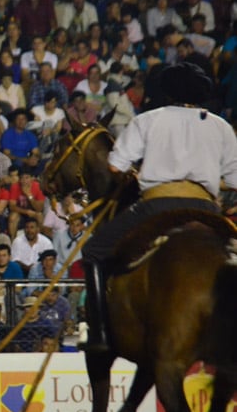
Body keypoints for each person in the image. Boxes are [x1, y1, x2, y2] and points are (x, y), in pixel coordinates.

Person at [81, 63, 237, 353]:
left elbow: (115, 165)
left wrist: (141, 172)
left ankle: (99, 333)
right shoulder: (221, 126)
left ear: (167, 91)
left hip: (157, 206)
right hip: (206, 208)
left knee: (92, 252)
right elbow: (234, 179)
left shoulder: (149, 120)